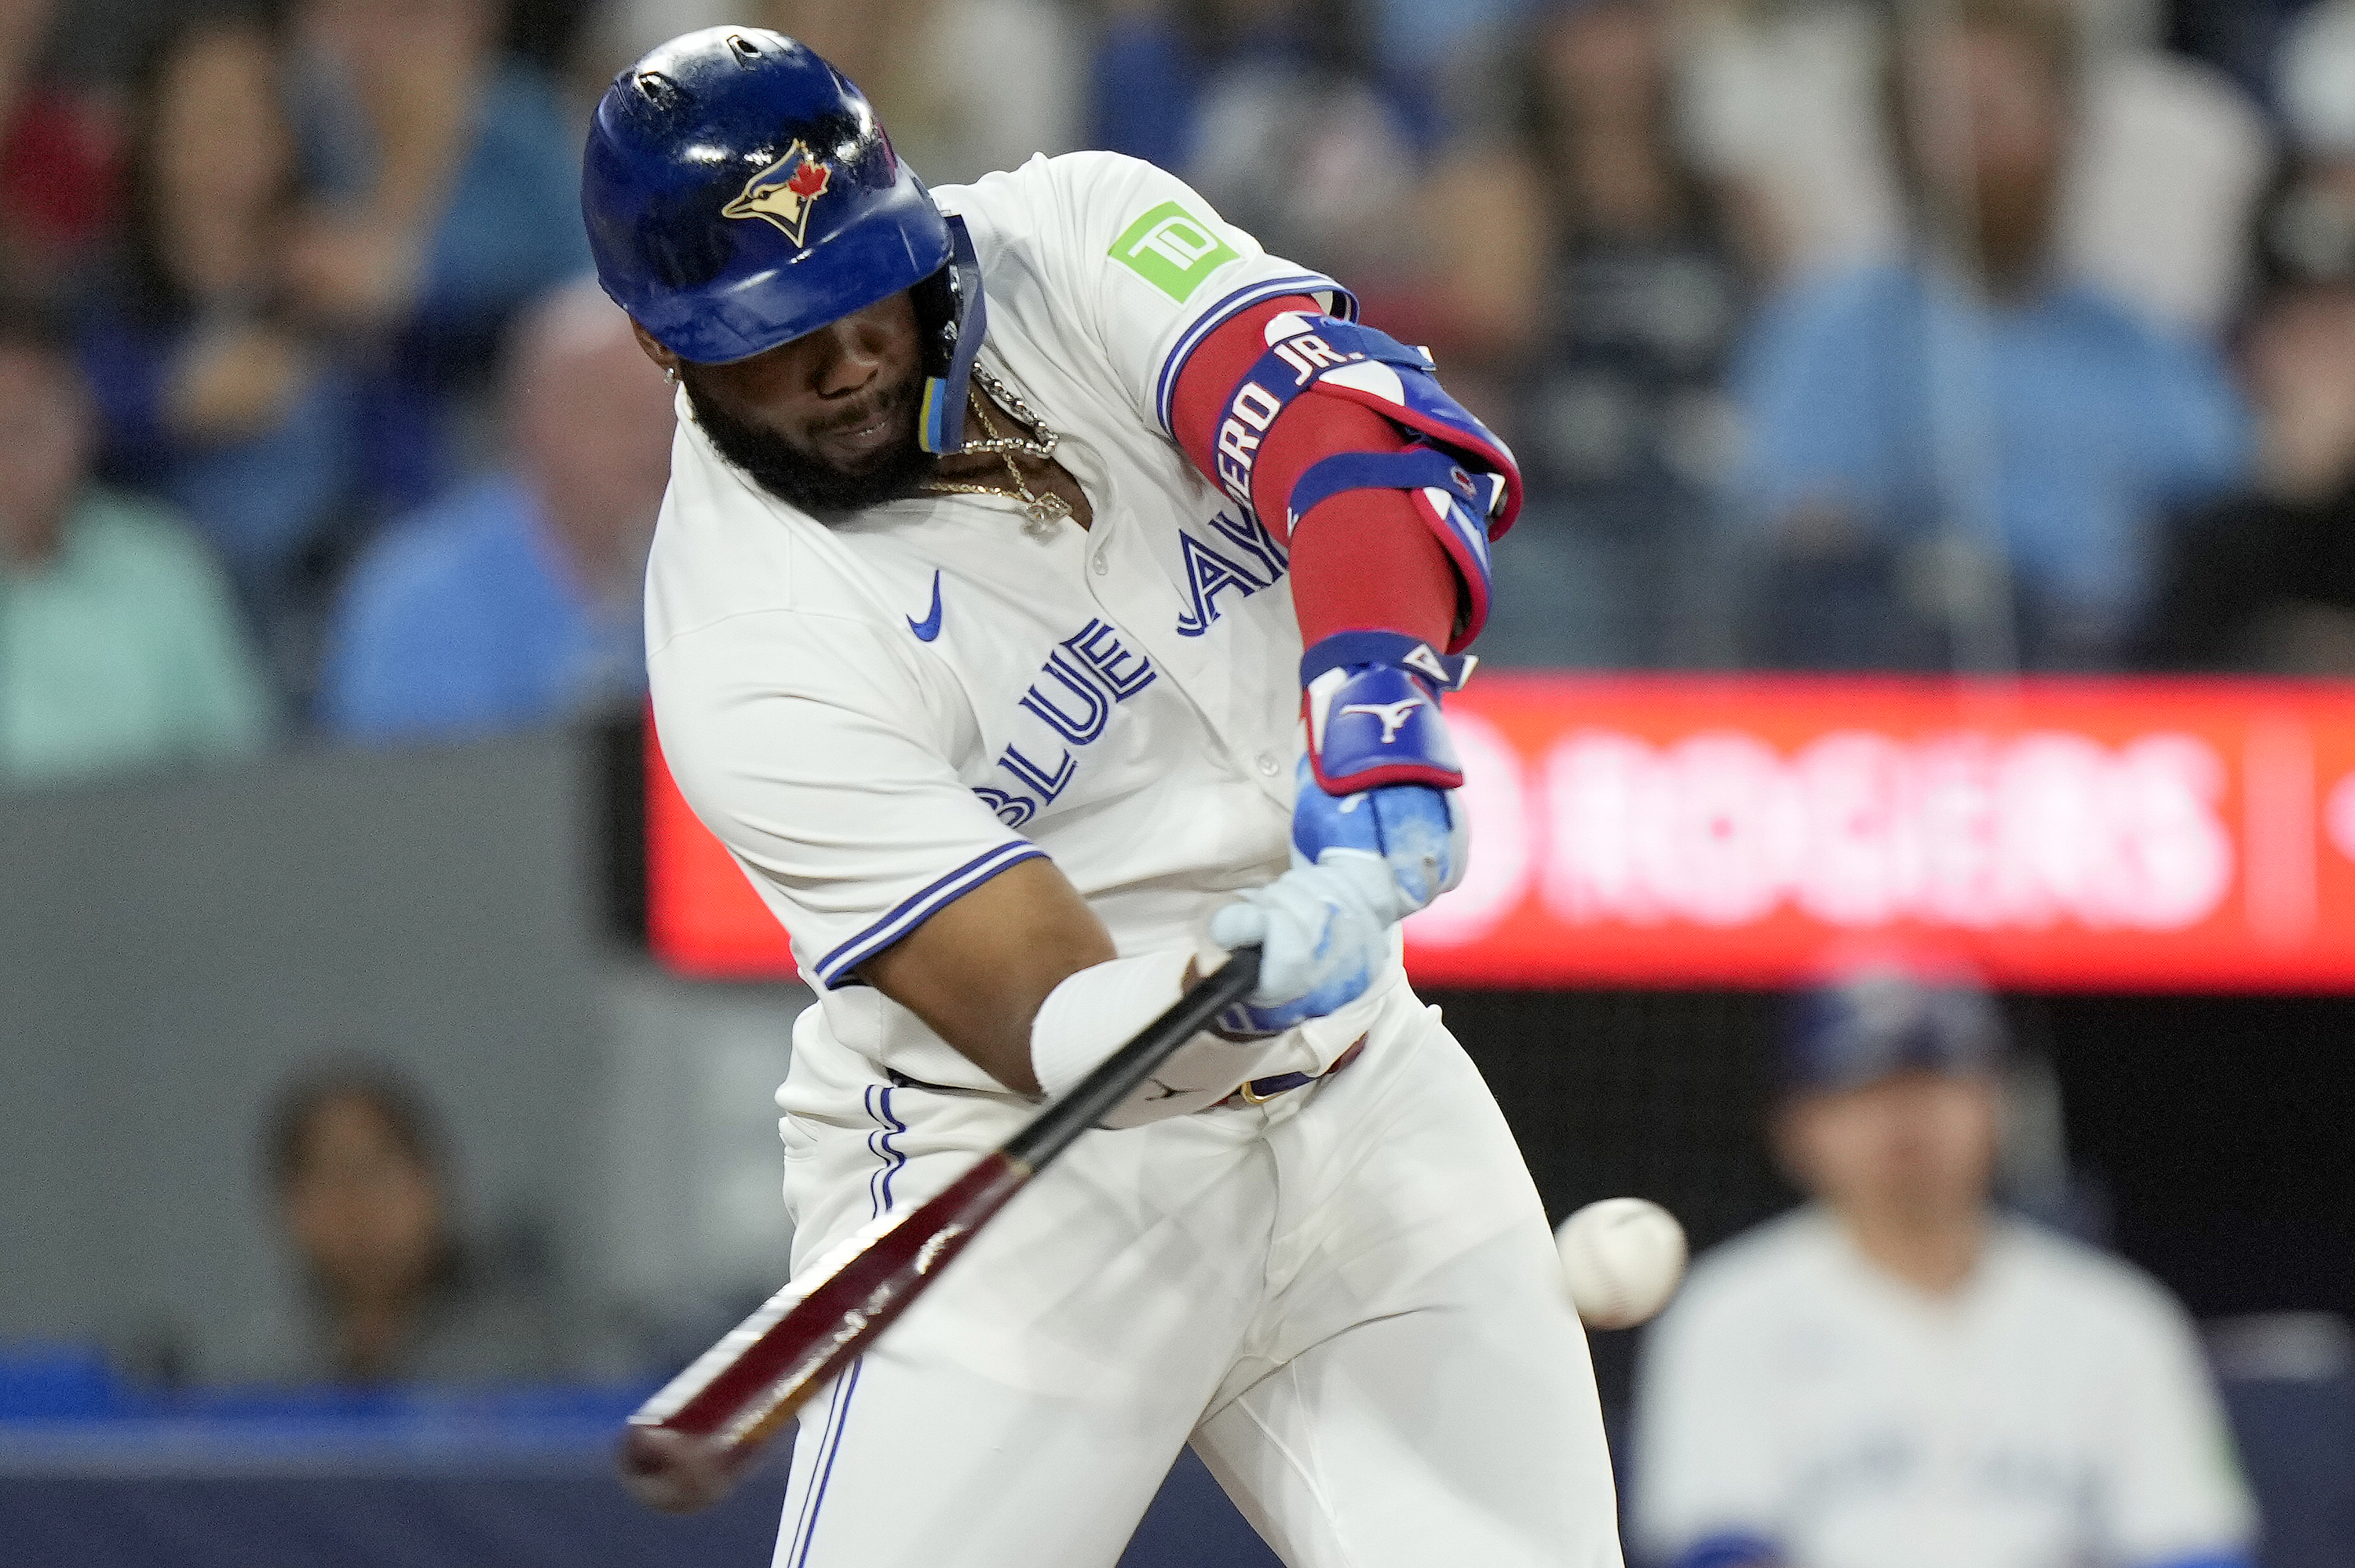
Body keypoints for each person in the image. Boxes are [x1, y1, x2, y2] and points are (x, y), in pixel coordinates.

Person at [588, 27, 1618, 1564]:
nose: (852, 352)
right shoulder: (744, 645)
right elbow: (1035, 1008)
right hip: (1027, 1181)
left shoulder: (1066, 237)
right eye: (778, 333)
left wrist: (1374, 703)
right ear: (667, 347)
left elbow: (1363, 438)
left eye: (867, 283)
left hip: (1366, 1098)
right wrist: (1226, 984)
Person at [1631, 965, 2256, 1568]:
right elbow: (1715, 1548)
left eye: (1935, 1080)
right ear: (1797, 1126)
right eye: (1865, 1088)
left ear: (2000, 1103)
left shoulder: (2122, 1321)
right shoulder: (1727, 1312)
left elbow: (2191, 1546)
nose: (1907, 1123)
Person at [1729, 0, 2251, 670]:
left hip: (2109, 688)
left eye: (1995, 113)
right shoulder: (1831, 329)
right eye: (1944, 117)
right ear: (1897, 135)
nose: (1972, 154)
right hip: (1892, 683)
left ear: (2064, 128)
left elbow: (2224, 503)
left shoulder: (2135, 345)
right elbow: (1786, 527)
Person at [1425, 0, 1756, 668]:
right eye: (1588, 31)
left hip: (1703, 499)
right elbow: (1492, 332)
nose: (1612, 54)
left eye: (1631, 26)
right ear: (1546, 47)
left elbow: (1780, 357)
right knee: (1552, 590)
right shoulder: (1504, 190)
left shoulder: (1731, 200)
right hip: (1557, 498)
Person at [76, 13, 363, 656]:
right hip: (159, 625)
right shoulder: (98, 307)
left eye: (252, 108)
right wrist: (164, 407)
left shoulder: (338, 295)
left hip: (326, 607)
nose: (230, 138)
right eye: (204, 112)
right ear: (150, 129)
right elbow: (62, 421)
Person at [318, 280, 673, 742]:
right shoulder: (418, 599)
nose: (651, 447)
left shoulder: (703, 565)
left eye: (664, 419)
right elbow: (407, 796)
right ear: (540, 424)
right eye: (621, 419)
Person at [0, 298, 273, 788]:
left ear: (80, 424)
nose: (6, 463)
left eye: (24, 430)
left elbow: (241, 772)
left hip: (153, 854)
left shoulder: (162, 564)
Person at [245, 1059, 567, 1384]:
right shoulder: (258, 1376)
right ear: (287, 1206)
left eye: (378, 1171)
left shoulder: (547, 1357)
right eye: (329, 1176)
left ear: (434, 1183)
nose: (356, 1203)